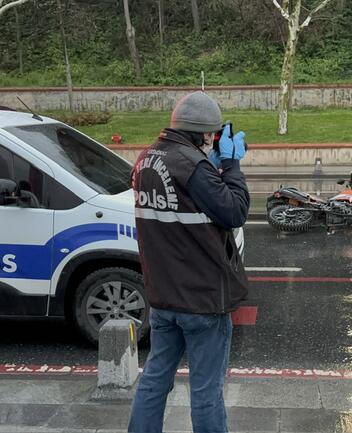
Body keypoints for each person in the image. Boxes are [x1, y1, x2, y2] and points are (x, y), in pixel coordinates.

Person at [128, 91, 250, 433]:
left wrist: (212, 167)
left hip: (164, 296)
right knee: (207, 391)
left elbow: (180, 210)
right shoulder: (193, 166)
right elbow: (235, 211)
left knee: (155, 379)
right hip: (201, 300)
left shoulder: (146, 160)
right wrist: (231, 165)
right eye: (213, 134)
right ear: (205, 134)